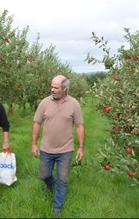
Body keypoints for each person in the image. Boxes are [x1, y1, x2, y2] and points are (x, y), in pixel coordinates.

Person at [31, 75, 85, 218]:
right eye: (51, 87)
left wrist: (80, 147)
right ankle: (49, 184)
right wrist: (34, 144)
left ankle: (57, 208)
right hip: (46, 149)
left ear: (65, 88)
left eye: (56, 88)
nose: (52, 90)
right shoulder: (44, 103)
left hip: (65, 150)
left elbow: (79, 125)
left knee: (63, 179)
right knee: (44, 175)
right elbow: (37, 123)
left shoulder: (74, 104)